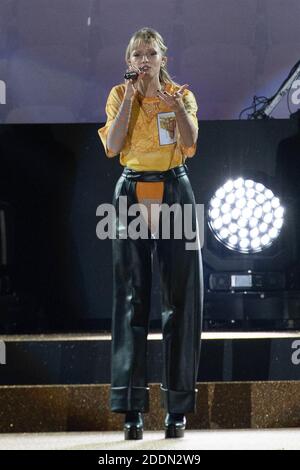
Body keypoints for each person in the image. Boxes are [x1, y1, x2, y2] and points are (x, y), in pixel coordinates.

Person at [98, 27, 203, 440]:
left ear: (164, 59)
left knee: (180, 299)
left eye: (150, 54)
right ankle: (131, 411)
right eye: (137, 54)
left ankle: (176, 410)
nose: (144, 60)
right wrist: (131, 97)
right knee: (130, 298)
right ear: (129, 61)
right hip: (131, 188)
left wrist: (175, 107)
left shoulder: (182, 94)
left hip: (175, 187)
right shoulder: (118, 96)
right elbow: (113, 146)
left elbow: (191, 144)